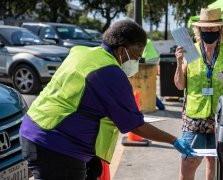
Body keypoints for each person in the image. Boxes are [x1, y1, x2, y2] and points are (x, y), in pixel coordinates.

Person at [19, 19, 193, 180]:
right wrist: (173, 140)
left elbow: (84, 102)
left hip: (34, 128)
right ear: (120, 49)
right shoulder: (110, 72)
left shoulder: (83, 53)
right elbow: (135, 125)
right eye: (135, 56)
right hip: (57, 145)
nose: (136, 62)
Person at [174, 8, 223, 180]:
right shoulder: (190, 51)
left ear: (220, 30)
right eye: (205, 28)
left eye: (213, 28)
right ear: (199, 30)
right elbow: (180, 85)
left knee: (215, 162)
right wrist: (179, 63)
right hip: (195, 117)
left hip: (221, 114)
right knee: (189, 162)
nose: (209, 31)